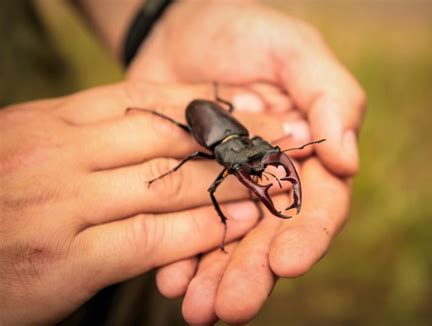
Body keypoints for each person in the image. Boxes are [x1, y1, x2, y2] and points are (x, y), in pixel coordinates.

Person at [0, 1, 365, 324]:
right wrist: (174, 172)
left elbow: (255, 149)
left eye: (252, 164)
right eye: (245, 167)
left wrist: (163, 15)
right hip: (200, 120)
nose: (255, 170)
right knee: (201, 177)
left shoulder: (247, 142)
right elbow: (213, 177)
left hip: (218, 120)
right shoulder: (205, 151)